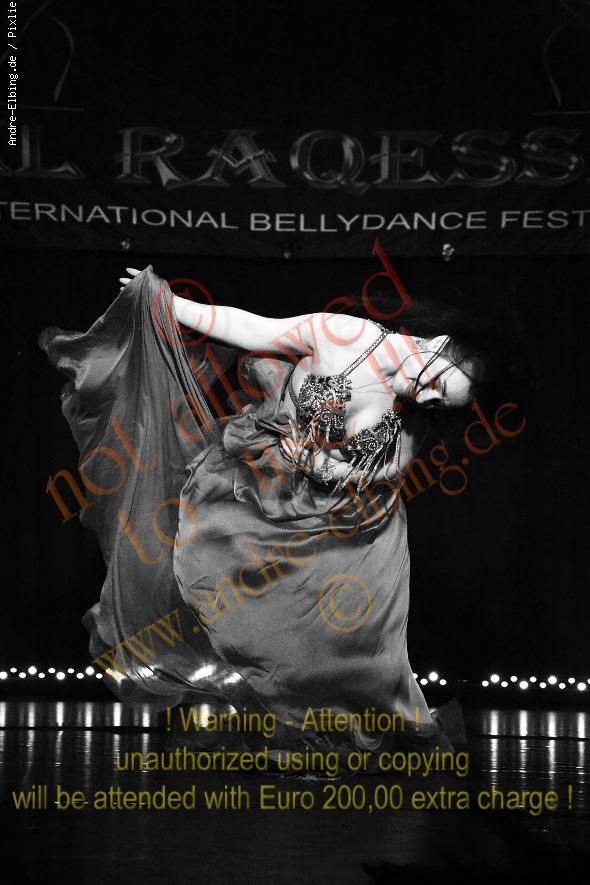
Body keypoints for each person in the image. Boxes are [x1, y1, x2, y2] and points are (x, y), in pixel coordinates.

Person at [39, 262, 518, 756]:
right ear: (440, 344)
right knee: (232, 596)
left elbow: (390, 469)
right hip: (267, 489)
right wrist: (171, 304)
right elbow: (251, 327)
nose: (428, 396)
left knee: (345, 644)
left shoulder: (413, 415)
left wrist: (328, 467)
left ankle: (335, 725)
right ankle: (271, 712)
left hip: (354, 526)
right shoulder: (347, 336)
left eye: (440, 402)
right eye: (438, 383)